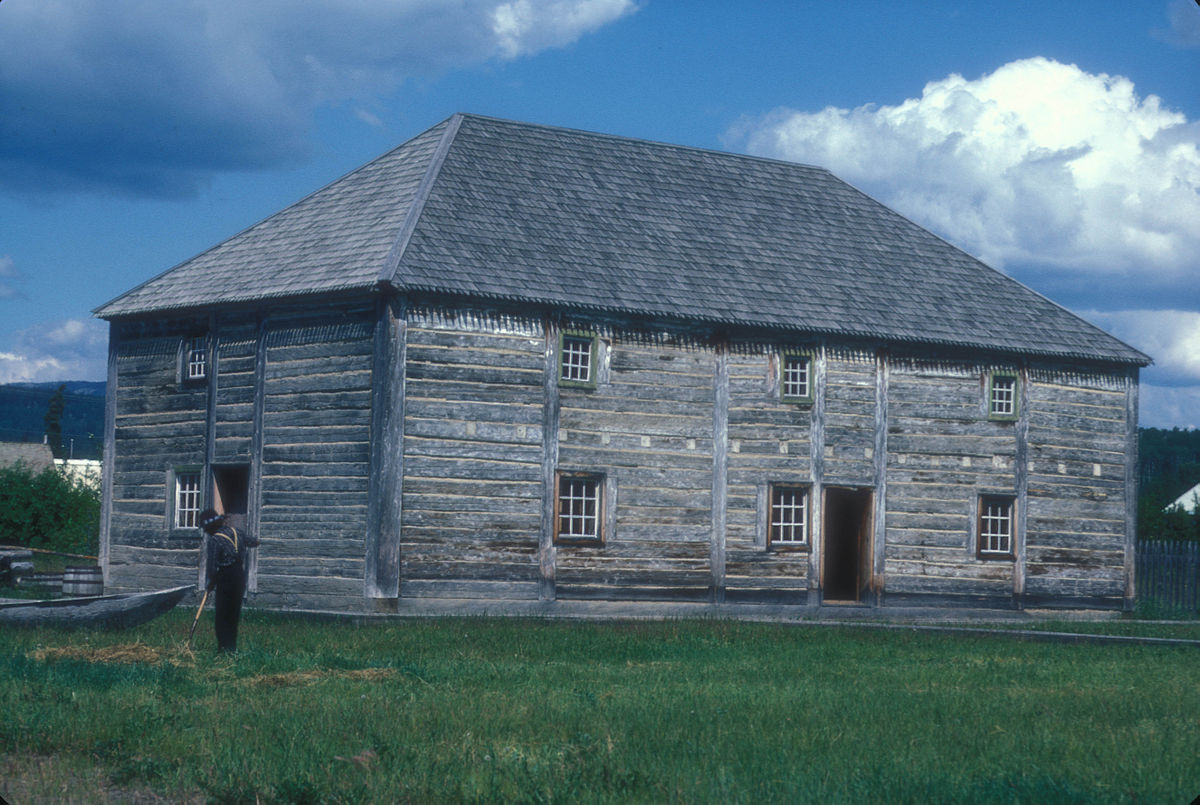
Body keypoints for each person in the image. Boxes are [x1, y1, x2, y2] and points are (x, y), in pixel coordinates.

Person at [199, 508, 258, 652]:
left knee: (222, 615)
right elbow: (254, 542)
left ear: (210, 527)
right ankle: (232, 647)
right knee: (233, 614)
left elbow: (212, 567)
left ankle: (223, 648)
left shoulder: (215, 540)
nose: (206, 532)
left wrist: (209, 584)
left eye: (206, 529)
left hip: (225, 578)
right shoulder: (237, 532)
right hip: (239, 576)